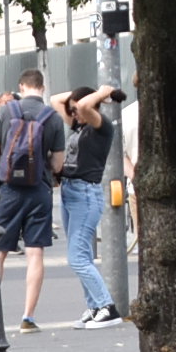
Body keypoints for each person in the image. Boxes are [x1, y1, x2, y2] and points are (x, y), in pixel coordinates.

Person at [0, 69, 62, 333]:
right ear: (42, 87)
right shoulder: (52, 117)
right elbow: (58, 163)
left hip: (8, 189)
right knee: (35, 252)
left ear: (21, 86)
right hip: (39, 189)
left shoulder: (5, 112)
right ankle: (28, 317)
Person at [59, 85, 124, 328]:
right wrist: (92, 95)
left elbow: (85, 106)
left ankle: (108, 307)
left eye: (76, 109)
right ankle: (95, 305)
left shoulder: (101, 126)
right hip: (70, 191)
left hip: (85, 194)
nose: (73, 114)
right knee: (82, 255)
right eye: (72, 110)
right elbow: (55, 100)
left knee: (77, 258)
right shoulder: (79, 125)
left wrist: (102, 93)